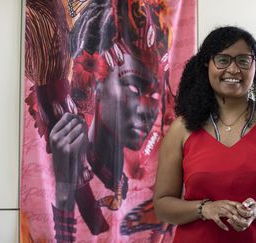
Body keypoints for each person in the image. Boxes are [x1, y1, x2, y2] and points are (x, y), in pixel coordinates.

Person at [153, 26, 256, 243]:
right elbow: (162, 205)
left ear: (255, 67)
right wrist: (204, 209)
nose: (233, 69)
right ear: (207, 64)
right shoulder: (182, 129)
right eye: (223, 60)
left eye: (243, 61)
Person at [47, 0, 172, 241]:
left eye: (155, 94)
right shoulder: (72, 152)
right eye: (134, 89)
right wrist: (64, 186)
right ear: (97, 83)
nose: (148, 108)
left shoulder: (144, 178)